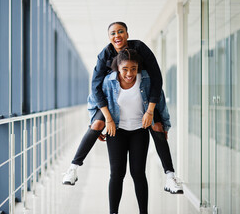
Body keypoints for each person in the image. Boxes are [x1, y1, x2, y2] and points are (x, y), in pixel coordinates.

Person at [62, 21, 183, 194]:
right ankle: (72, 169)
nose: (117, 35)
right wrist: (107, 120)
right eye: (113, 33)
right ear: (109, 37)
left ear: (127, 34)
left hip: (144, 98)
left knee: (157, 127)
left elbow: (157, 80)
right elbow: (95, 88)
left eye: (121, 32)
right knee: (96, 125)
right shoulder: (104, 55)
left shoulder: (140, 48)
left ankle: (170, 177)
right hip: (109, 101)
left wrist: (151, 111)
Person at [92, 48, 171, 214]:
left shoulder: (145, 80)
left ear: (138, 68)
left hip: (139, 131)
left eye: (133, 69)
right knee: (116, 174)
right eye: (125, 69)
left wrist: (164, 124)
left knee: (138, 174)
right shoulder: (109, 81)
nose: (129, 73)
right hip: (117, 131)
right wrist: (97, 121)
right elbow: (96, 99)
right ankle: (113, 212)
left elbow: (159, 101)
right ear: (118, 68)